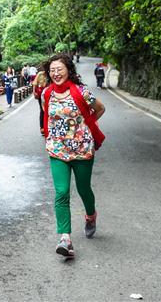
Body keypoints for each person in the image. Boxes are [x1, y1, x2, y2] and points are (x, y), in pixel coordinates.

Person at [41, 53, 105, 258]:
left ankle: (90, 215)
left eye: (59, 69)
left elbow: (100, 108)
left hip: (82, 148)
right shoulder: (46, 94)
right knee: (61, 192)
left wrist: (85, 125)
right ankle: (65, 238)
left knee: (84, 188)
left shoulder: (81, 92)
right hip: (58, 150)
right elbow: (47, 116)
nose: (56, 73)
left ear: (68, 69)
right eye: (52, 70)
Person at [33, 64, 49, 135]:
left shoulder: (51, 74)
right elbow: (35, 83)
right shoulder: (40, 74)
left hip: (49, 94)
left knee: (49, 110)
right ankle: (42, 127)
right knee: (42, 110)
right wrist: (34, 92)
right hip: (40, 94)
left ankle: (48, 127)